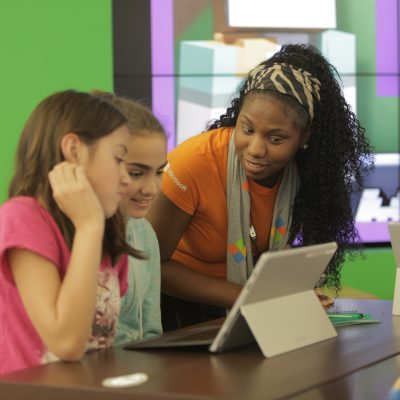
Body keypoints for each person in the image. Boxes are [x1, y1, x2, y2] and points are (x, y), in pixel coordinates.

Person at [146, 43, 374, 330]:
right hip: (176, 312)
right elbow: (152, 264)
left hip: (243, 308)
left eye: (276, 139)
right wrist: (253, 297)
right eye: (247, 129)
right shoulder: (194, 162)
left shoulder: (304, 174)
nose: (255, 149)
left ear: (305, 137)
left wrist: (289, 294)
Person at [0, 90, 142, 374]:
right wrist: (89, 226)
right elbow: (66, 343)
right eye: (118, 159)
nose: (126, 178)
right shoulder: (22, 217)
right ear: (74, 150)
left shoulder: (107, 232)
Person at [98, 94, 167, 345]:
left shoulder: (144, 231)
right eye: (136, 173)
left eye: (160, 172)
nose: (151, 189)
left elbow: (151, 329)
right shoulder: (74, 234)